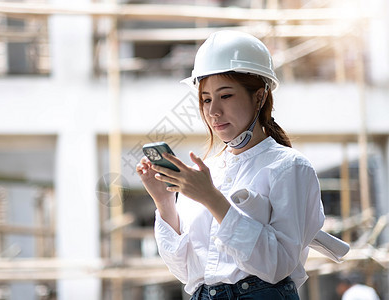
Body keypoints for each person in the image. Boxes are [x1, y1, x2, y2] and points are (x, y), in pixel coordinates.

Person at [136, 30, 325, 299]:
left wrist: (212, 198)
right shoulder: (205, 172)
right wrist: (164, 201)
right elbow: (185, 271)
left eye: (225, 96)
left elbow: (277, 265)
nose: (213, 111)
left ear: (259, 97)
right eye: (206, 99)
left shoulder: (289, 167)